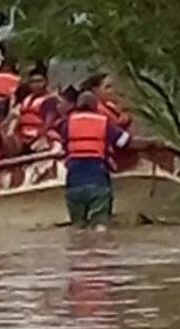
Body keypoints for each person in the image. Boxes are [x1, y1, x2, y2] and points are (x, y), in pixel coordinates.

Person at [60, 91, 132, 229]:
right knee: (100, 226)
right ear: (95, 106)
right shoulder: (103, 123)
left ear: (78, 105)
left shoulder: (67, 124)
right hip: (98, 180)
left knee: (77, 227)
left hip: (74, 183)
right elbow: (124, 142)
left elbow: (64, 144)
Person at [17, 67, 60, 151]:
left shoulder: (49, 100)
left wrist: (37, 138)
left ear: (46, 82)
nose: (36, 85)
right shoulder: (26, 99)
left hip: (40, 139)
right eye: (33, 82)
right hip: (23, 138)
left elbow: (49, 122)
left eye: (39, 81)